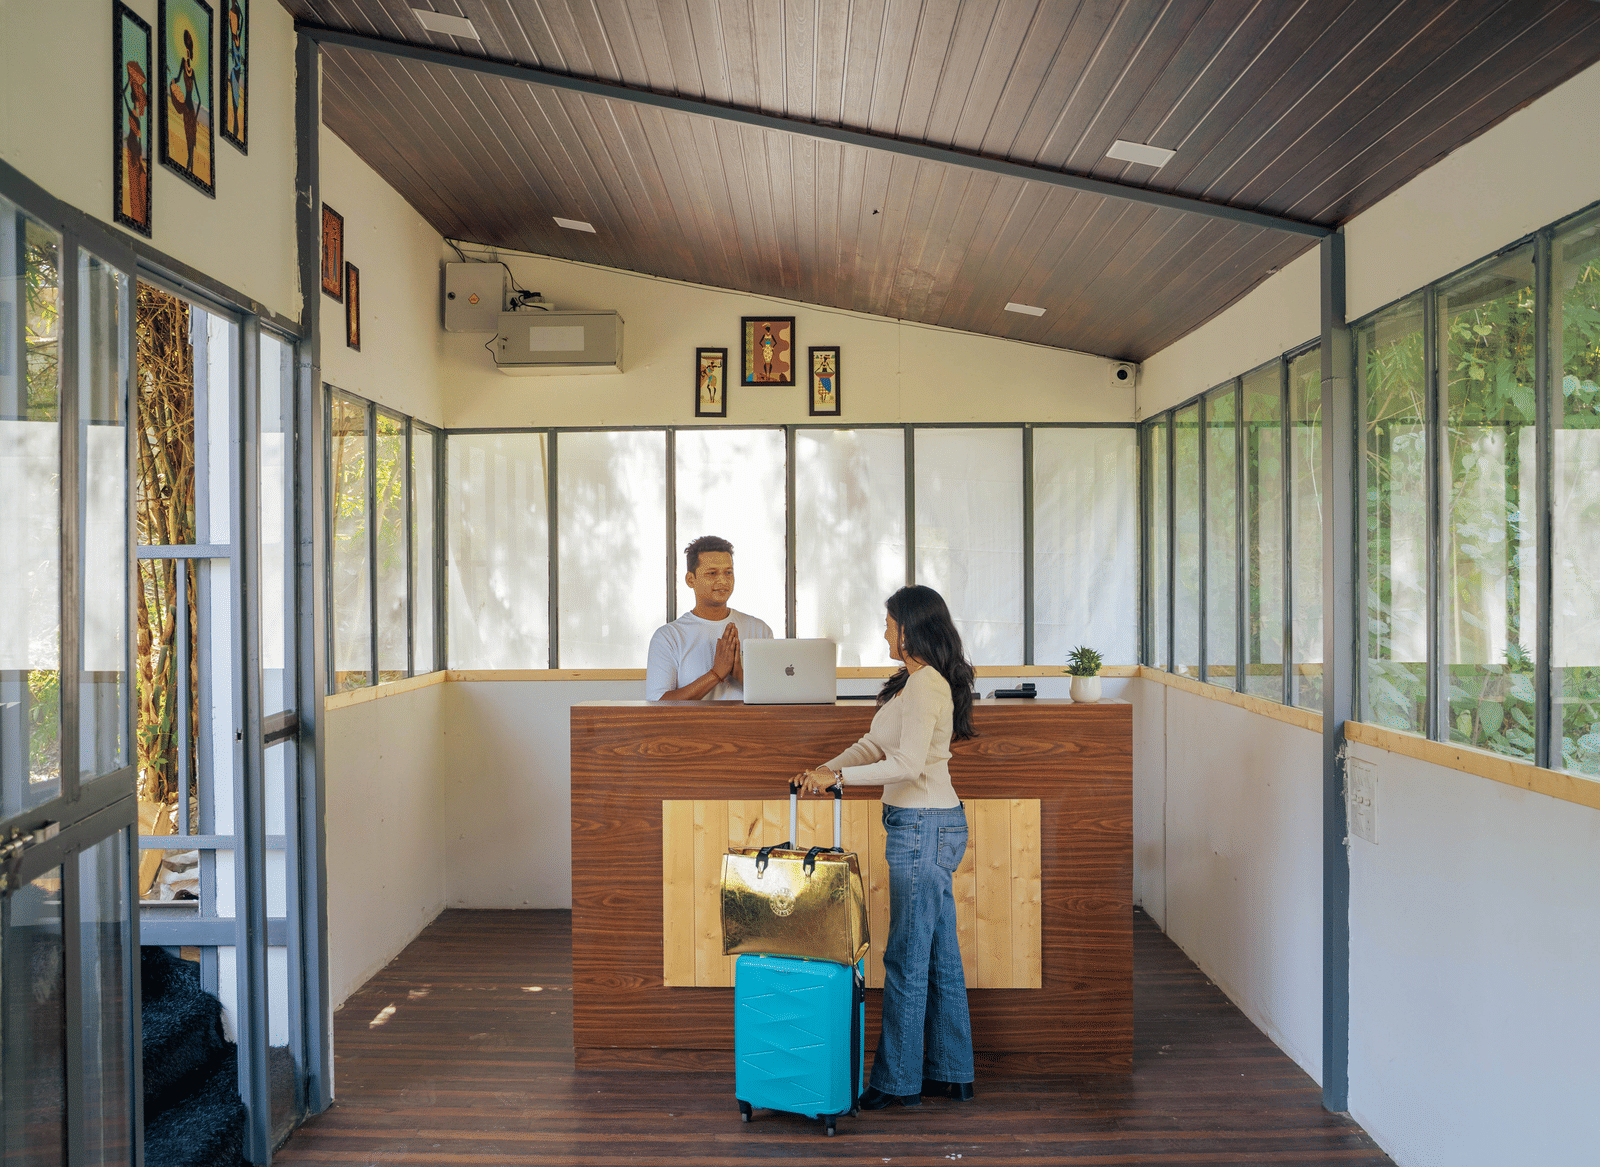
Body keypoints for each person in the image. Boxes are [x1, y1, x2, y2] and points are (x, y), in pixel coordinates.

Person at [795, 584, 976, 1109]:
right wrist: (828, 769)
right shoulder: (911, 685)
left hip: (923, 825)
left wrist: (840, 780)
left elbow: (907, 765)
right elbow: (877, 745)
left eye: (890, 623)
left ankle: (898, 1083)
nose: (884, 632)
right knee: (938, 955)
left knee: (905, 957)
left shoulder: (927, 687)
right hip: (925, 823)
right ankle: (952, 1071)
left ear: (911, 627)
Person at [645, 535, 773, 701]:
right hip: (693, 728)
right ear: (690, 580)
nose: (722, 580)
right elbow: (658, 704)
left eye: (728, 572)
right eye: (712, 573)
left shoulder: (760, 630)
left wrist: (740, 674)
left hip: (749, 727)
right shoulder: (668, 637)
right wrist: (716, 674)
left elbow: (775, 695)